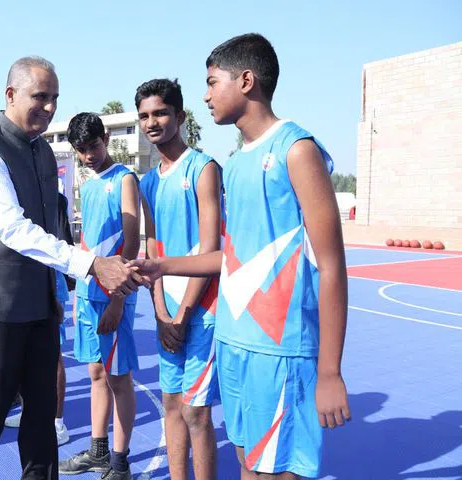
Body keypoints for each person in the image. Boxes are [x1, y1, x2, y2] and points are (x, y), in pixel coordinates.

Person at [131, 33, 351, 479]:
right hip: (234, 341)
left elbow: (331, 267)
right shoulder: (236, 161)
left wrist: (329, 371)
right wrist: (162, 266)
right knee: (247, 461)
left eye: (212, 82)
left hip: (280, 347)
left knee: (280, 470)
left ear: (246, 80)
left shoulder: (296, 149)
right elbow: (233, 258)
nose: (206, 95)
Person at [0, 55, 137, 480]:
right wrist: (90, 266)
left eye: (54, 99)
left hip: (41, 305)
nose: (49, 108)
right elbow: (13, 228)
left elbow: (56, 227)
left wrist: (65, 290)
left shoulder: (45, 153)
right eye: (39, 97)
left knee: (42, 414)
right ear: (10, 95)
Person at [136, 78, 223, 480]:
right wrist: (159, 312)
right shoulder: (148, 181)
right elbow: (152, 246)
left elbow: (210, 249)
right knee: (171, 404)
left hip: (200, 311)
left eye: (160, 113)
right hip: (166, 312)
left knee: (196, 412)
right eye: (144, 116)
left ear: (180, 116)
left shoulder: (203, 168)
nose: (151, 122)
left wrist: (183, 314)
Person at [53, 113, 141, 480]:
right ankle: (99, 450)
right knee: (94, 372)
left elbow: (133, 242)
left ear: (106, 138)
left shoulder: (124, 179)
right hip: (89, 295)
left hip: (114, 296)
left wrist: (119, 298)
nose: (88, 155)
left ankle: (120, 463)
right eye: (81, 150)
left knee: (118, 377)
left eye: (93, 146)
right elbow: (87, 244)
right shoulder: (87, 186)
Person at [4, 191, 75, 447]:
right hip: (22, 284)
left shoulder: (52, 199)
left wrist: (55, 291)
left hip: (49, 282)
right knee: (25, 355)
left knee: (53, 357)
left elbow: (58, 242)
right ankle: (29, 411)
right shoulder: (16, 196)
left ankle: (57, 423)